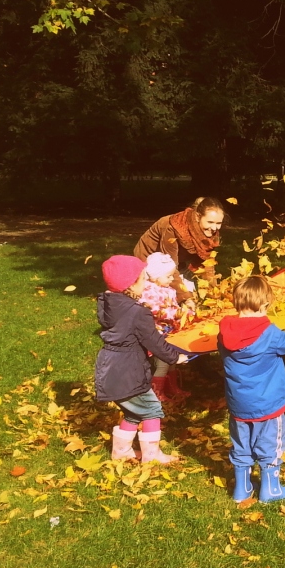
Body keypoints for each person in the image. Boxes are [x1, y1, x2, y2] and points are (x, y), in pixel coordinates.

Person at [218, 275, 285, 504]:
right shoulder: (270, 334)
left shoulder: (224, 332)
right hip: (268, 404)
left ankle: (242, 489)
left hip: (239, 404)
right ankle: (270, 489)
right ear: (264, 304)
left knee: (241, 444)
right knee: (271, 443)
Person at [95, 255, 189, 464]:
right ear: (131, 284)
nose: (146, 283)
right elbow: (154, 341)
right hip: (129, 371)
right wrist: (176, 357)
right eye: (142, 279)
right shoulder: (138, 312)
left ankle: (121, 453)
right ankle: (152, 456)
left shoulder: (110, 305)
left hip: (110, 368)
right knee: (152, 410)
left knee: (132, 412)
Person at [134, 197, 225, 306]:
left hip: (178, 261)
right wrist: (185, 298)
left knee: (186, 293)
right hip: (151, 259)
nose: (214, 228)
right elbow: (169, 266)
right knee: (160, 298)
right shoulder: (172, 227)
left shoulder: (210, 233)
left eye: (218, 223)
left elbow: (207, 264)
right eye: (210, 222)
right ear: (197, 216)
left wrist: (214, 293)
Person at [140, 252, 193, 403]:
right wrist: (178, 313)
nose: (171, 279)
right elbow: (159, 311)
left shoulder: (165, 288)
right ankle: (157, 392)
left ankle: (172, 388)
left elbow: (172, 306)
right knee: (163, 363)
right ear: (156, 276)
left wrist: (183, 313)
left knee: (172, 361)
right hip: (157, 334)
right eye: (168, 276)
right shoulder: (149, 292)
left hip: (169, 332)